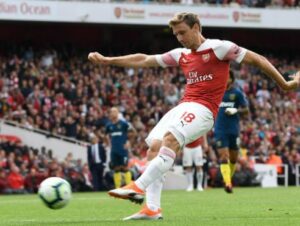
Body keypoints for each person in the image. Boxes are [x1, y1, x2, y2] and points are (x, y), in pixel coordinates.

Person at [88, 12, 300, 220]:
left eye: (182, 32)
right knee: (154, 146)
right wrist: (108, 61)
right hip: (184, 106)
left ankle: (138, 186)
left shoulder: (220, 48)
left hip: (204, 109)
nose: (180, 38)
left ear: (196, 28)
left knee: (170, 140)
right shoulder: (182, 54)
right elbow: (144, 59)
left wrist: (285, 84)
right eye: (176, 35)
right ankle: (152, 208)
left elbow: (258, 59)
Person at [214, 70, 249, 193]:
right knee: (224, 157)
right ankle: (228, 183)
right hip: (220, 130)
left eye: (227, 77)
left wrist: (236, 111)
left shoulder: (237, 93)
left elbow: (246, 111)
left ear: (232, 79)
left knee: (234, 159)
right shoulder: (216, 93)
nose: (225, 79)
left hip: (233, 130)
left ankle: (227, 178)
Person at [105, 107, 132, 188]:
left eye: (114, 111)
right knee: (116, 168)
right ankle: (118, 188)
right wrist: (108, 143)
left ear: (117, 113)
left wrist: (129, 141)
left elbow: (133, 132)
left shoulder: (123, 124)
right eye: (111, 112)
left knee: (125, 167)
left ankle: (129, 187)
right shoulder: (109, 125)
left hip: (123, 150)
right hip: (114, 150)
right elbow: (106, 135)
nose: (113, 113)